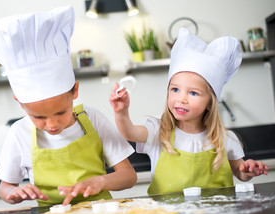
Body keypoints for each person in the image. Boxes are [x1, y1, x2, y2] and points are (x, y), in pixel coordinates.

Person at [0, 6, 137, 206]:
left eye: (60, 112)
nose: (51, 124)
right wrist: (15, 192)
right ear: (21, 104)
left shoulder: (92, 119)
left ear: (75, 91)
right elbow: (5, 188)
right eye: (39, 117)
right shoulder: (19, 133)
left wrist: (102, 181)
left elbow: (129, 176)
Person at [109, 28, 268, 195]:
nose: (181, 99)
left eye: (193, 93)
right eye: (175, 89)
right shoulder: (158, 131)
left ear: (210, 103)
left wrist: (248, 169)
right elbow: (129, 133)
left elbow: (240, 172)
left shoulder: (225, 139)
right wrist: (121, 112)